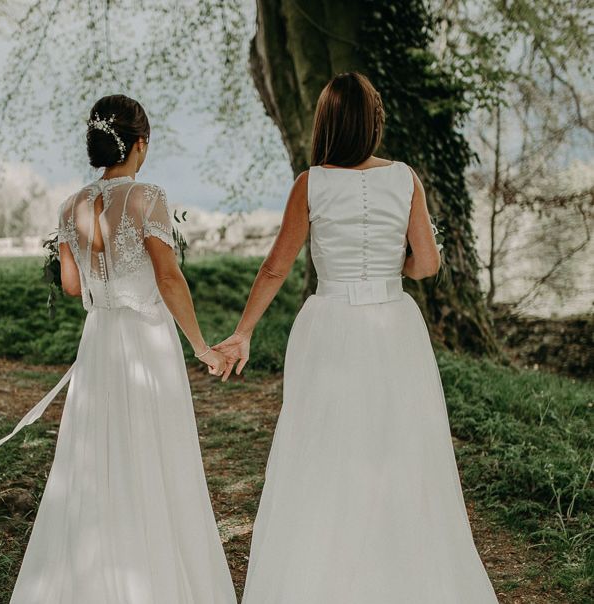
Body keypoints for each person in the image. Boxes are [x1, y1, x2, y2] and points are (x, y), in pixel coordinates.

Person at [215, 73, 499, 603]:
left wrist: (243, 332)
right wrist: (395, 268)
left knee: (324, 449)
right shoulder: (405, 178)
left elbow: (276, 267)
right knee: (400, 447)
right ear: (374, 123)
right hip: (395, 325)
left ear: (325, 125)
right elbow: (428, 264)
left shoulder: (310, 183)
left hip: (331, 326)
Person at [0, 94, 236, 604]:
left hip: (99, 341)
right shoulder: (147, 198)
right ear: (139, 143)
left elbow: (74, 287)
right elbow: (168, 276)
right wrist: (202, 346)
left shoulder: (69, 205)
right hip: (146, 340)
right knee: (155, 452)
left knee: (97, 453)